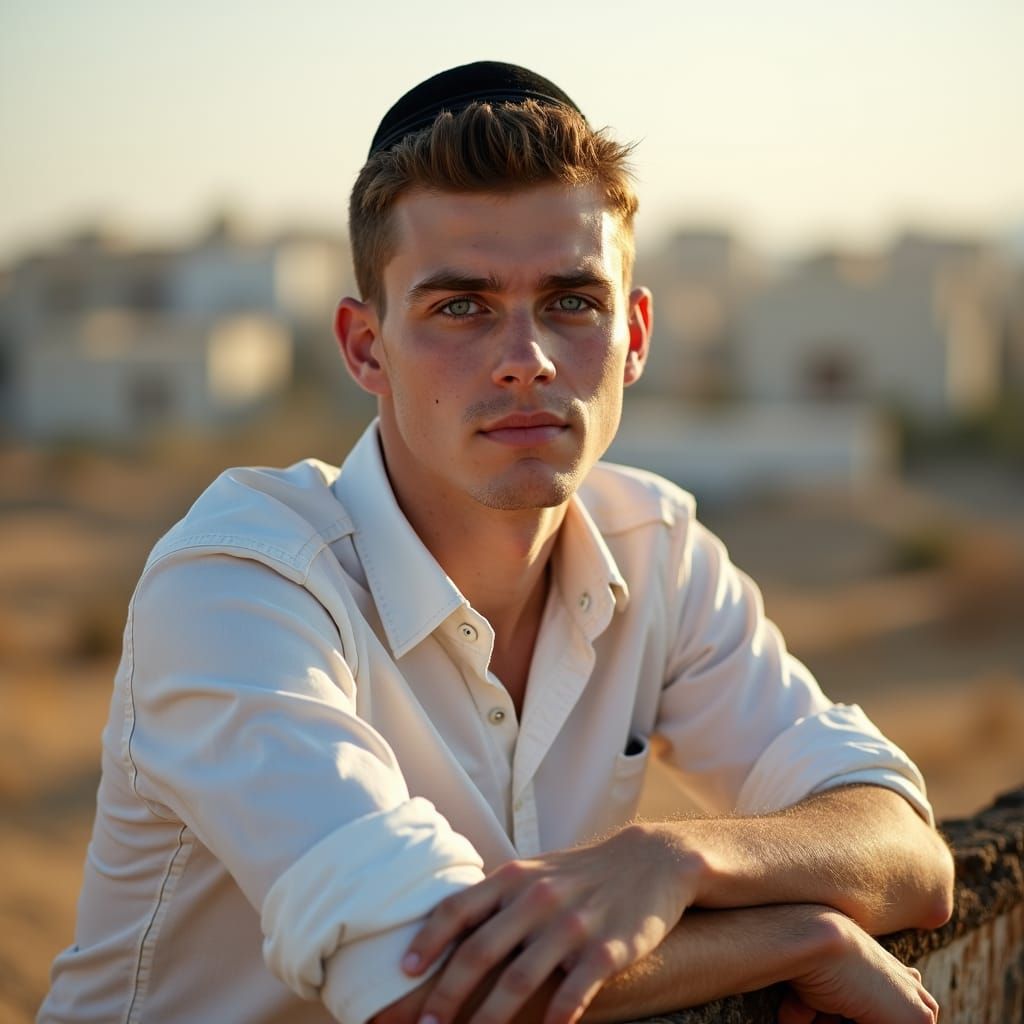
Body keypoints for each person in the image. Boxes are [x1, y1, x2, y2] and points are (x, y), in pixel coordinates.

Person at [41, 61, 953, 1024]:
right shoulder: (237, 585)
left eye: (573, 302)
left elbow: (904, 849)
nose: (527, 361)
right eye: (460, 307)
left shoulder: (655, 549)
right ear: (365, 347)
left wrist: (676, 856)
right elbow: (424, 985)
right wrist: (797, 937)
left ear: (636, 334)